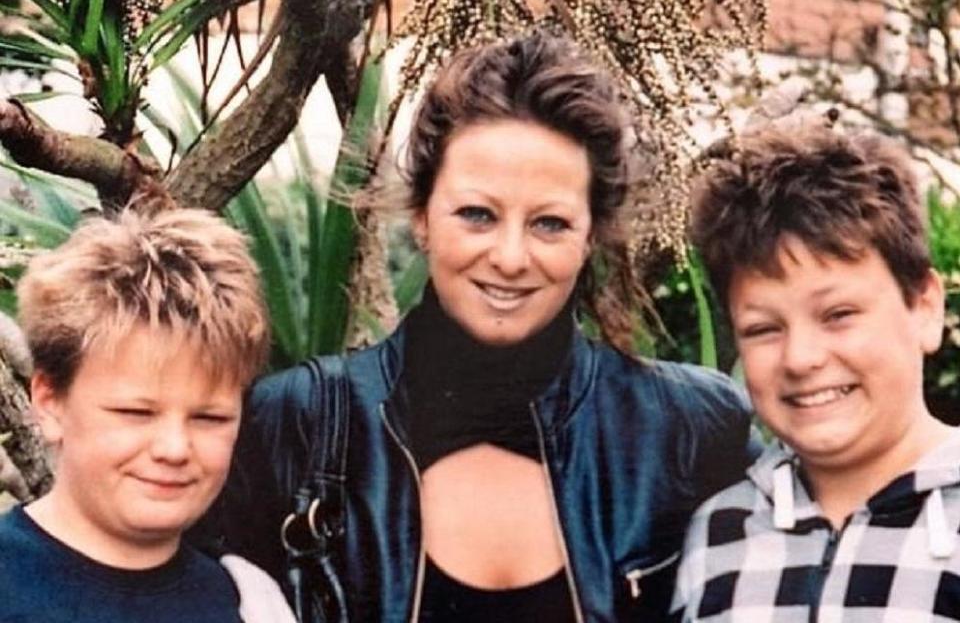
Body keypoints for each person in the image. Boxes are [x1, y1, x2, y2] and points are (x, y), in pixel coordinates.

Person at [205, 31, 755, 622]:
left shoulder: (689, 432)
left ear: (591, 234)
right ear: (421, 217)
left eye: (549, 224)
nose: (511, 257)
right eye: (477, 215)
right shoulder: (298, 427)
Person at [671, 125, 960, 620]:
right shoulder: (718, 534)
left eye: (839, 315)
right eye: (764, 328)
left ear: (924, 307)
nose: (801, 358)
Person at [0, 209, 294, 622]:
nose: (174, 448)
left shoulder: (250, 601)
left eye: (209, 418)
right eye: (136, 412)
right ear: (50, 401)